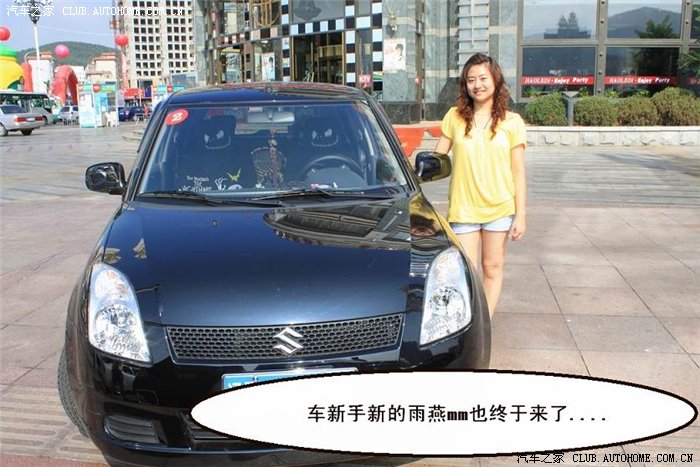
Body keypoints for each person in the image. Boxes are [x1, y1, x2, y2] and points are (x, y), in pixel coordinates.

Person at [434, 52, 527, 318]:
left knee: (492, 267)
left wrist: (521, 215)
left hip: (500, 209)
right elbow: (437, 158)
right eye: (471, 80)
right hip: (463, 209)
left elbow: (518, 171)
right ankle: (464, 321)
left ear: (495, 80)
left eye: (483, 78)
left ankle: (482, 325)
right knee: (465, 272)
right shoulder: (454, 117)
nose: (478, 85)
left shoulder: (512, 122)